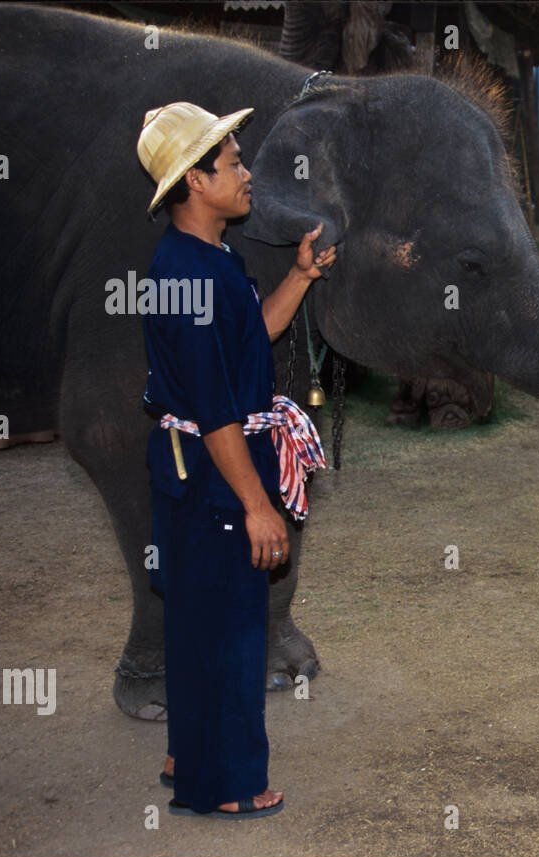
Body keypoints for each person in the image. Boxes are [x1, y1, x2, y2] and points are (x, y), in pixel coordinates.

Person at [136, 102, 335, 818]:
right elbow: (215, 408)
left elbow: (252, 335)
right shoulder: (185, 275)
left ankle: (186, 752)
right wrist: (258, 505)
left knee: (197, 618)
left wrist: (303, 277)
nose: (248, 174)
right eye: (233, 164)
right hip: (213, 474)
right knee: (227, 628)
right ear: (194, 180)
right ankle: (225, 783)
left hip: (205, 467)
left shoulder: (214, 257)